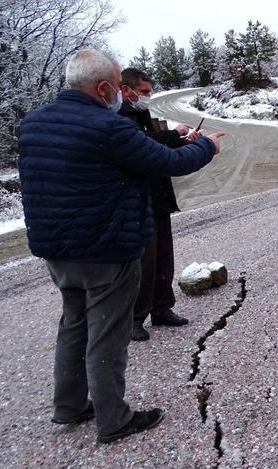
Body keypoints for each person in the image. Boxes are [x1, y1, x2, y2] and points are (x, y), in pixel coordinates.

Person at [17, 49, 225, 444]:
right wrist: (208, 147)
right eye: (116, 86)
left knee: (73, 324)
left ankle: (70, 406)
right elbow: (168, 161)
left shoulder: (33, 123)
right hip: (106, 249)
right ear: (103, 88)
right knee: (108, 334)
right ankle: (113, 418)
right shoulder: (108, 127)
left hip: (56, 250)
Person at [118, 68, 195, 342]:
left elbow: (158, 154)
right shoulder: (119, 119)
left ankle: (162, 308)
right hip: (138, 201)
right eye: (144, 92)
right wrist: (173, 136)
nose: (149, 97)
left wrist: (181, 143)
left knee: (163, 258)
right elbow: (143, 148)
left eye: (150, 91)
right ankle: (134, 319)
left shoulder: (142, 115)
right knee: (144, 263)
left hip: (158, 197)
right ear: (126, 90)